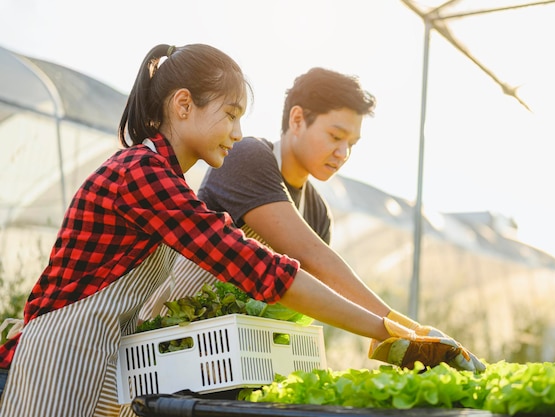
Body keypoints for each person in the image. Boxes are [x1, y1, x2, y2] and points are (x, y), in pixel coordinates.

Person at [0, 44, 395, 417]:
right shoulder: (141, 173)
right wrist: (387, 329)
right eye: (230, 114)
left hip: (105, 356)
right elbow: (251, 262)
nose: (238, 132)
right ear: (184, 104)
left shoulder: (165, 178)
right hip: (61, 353)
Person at [141, 68, 486, 373]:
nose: (343, 154)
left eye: (351, 143)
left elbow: (316, 295)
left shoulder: (318, 212)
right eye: (336, 137)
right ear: (296, 119)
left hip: (245, 358)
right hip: (178, 346)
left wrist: (402, 338)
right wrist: (406, 330)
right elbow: (311, 259)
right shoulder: (249, 157)